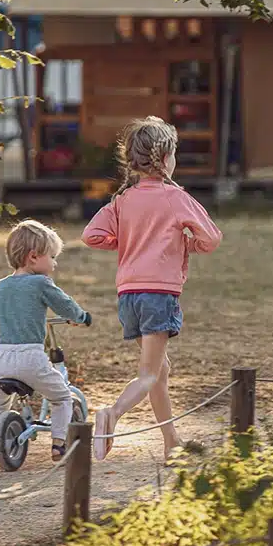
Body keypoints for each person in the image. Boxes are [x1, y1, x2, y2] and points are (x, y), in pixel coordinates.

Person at [81, 116, 222, 461]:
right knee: (147, 375)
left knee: (161, 371)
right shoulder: (175, 197)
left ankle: (171, 442)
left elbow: (91, 235)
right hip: (159, 295)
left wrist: (128, 244)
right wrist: (189, 245)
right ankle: (111, 415)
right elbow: (212, 238)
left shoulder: (124, 199)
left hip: (129, 296)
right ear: (165, 159)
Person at [0, 219, 91, 470]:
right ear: (34, 257)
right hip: (30, 358)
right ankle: (58, 444)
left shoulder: (1, 286)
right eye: (52, 257)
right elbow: (64, 304)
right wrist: (81, 317)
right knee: (62, 397)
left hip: (2, 358)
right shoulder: (40, 283)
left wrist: (7, 327)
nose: (55, 263)